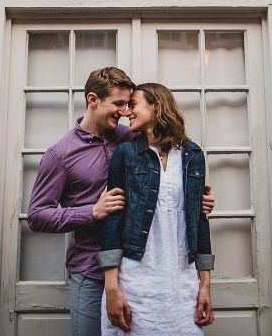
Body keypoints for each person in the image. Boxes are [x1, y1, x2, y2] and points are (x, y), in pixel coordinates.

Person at [27, 68, 215, 336]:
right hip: (90, 270)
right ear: (93, 100)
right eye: (118, 104)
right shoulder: (61, 154)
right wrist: (91, 212)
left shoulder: (132, 140)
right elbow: (37, 215)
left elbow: (172, 178)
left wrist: (199, 198)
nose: (125, 111)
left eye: (128, 104)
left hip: (134, 271)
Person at [97, 83, 214, 336]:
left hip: (182, 283)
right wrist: (112, 288)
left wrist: (204, 285)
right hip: (137, 280)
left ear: (156, 106)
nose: (127, 112)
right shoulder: (126, 154)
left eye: (134, 105)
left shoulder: (193, 155)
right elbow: (112, 221)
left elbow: (199, 221)